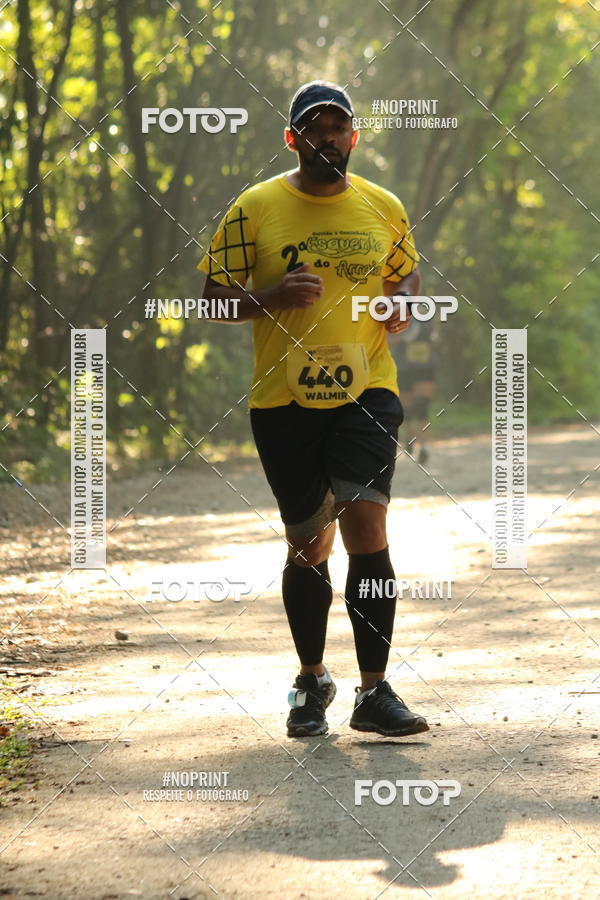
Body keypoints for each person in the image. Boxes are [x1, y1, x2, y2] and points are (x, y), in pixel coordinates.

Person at [198, 80, 429, 738]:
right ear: (292, 137)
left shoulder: (383, 206)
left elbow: (406, 272)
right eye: (315, 127)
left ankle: (375, 691)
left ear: (354, 138)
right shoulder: (256, 208)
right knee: (308, 545)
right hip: (284, 401)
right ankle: (311, 679)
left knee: (366, 526)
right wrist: (269, 296)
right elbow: (212, 297)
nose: (328, 136)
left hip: (367, 393)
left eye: (339, 126)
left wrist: (402, 301)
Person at [388, 317, 438, 465]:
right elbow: (389, 340)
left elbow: (436, 339)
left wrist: (435, 337)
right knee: (407, 408)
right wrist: (404, 337)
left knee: (422, 405)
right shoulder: (395, 315)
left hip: (424, 366)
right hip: (404, 367)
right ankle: (410, 437)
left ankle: (424, 447)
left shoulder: (428, 317)